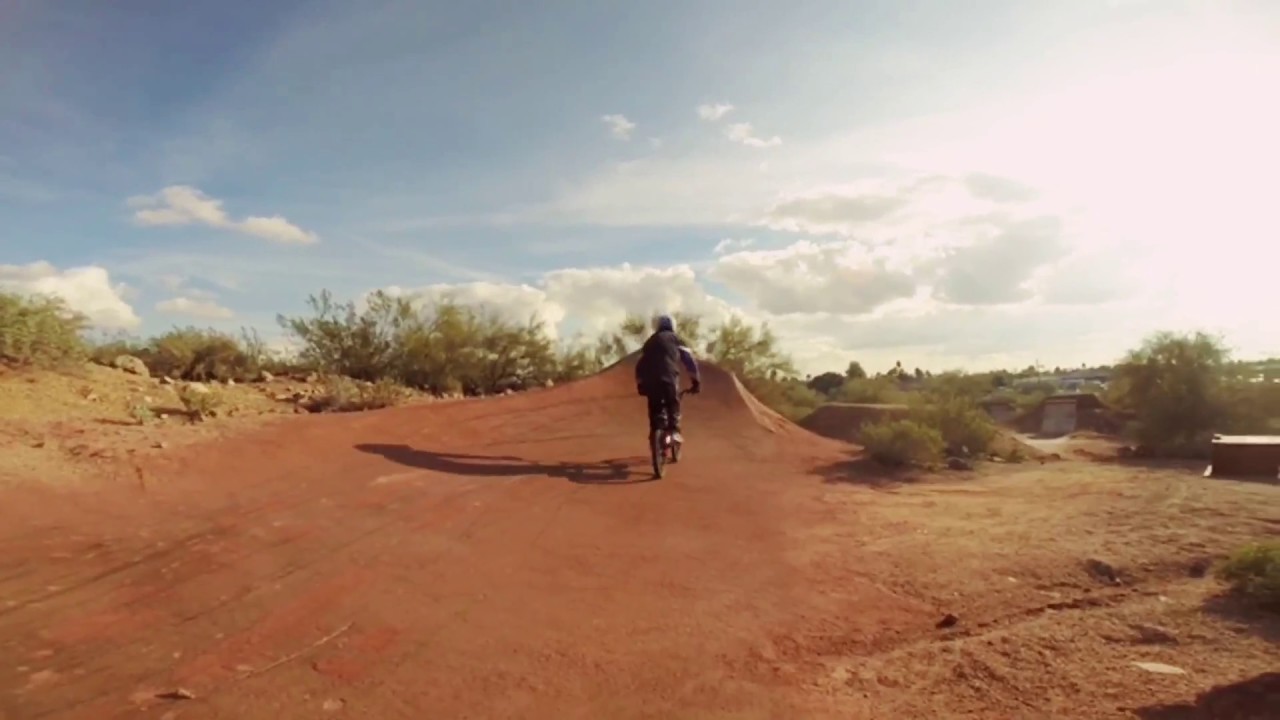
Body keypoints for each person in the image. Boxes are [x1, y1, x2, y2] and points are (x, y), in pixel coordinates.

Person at [634, 313, 701, 444]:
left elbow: (640, 364)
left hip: (650, 380)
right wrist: (696, 380)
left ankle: (655, 434)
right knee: (673, 402)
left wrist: (640, 383)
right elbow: (689, 361)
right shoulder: (676, 339)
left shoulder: (649, 342)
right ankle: (674, 431)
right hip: (669, 376)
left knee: (655, 407)